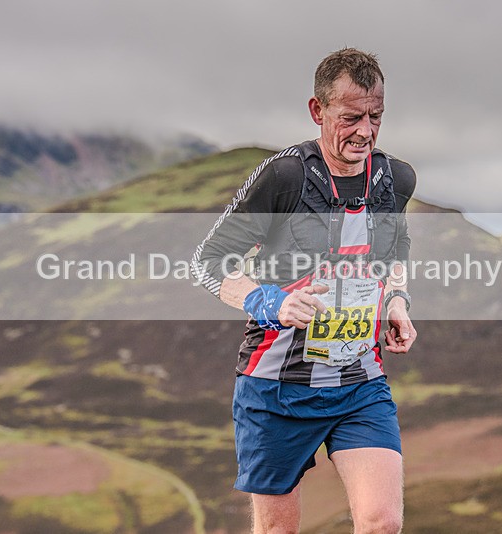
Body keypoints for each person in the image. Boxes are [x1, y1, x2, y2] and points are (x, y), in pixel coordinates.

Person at [192, 48, 417, 533]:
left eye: (376, 116)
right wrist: (271, 302)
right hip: (276, 387)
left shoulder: (395, 179)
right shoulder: (285, 177)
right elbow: (208, 262)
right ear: (318, 111)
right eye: (350, 117)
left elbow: (396, 249)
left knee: (382, 523)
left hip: (359, 383)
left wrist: (397, 300)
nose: (365, 131)